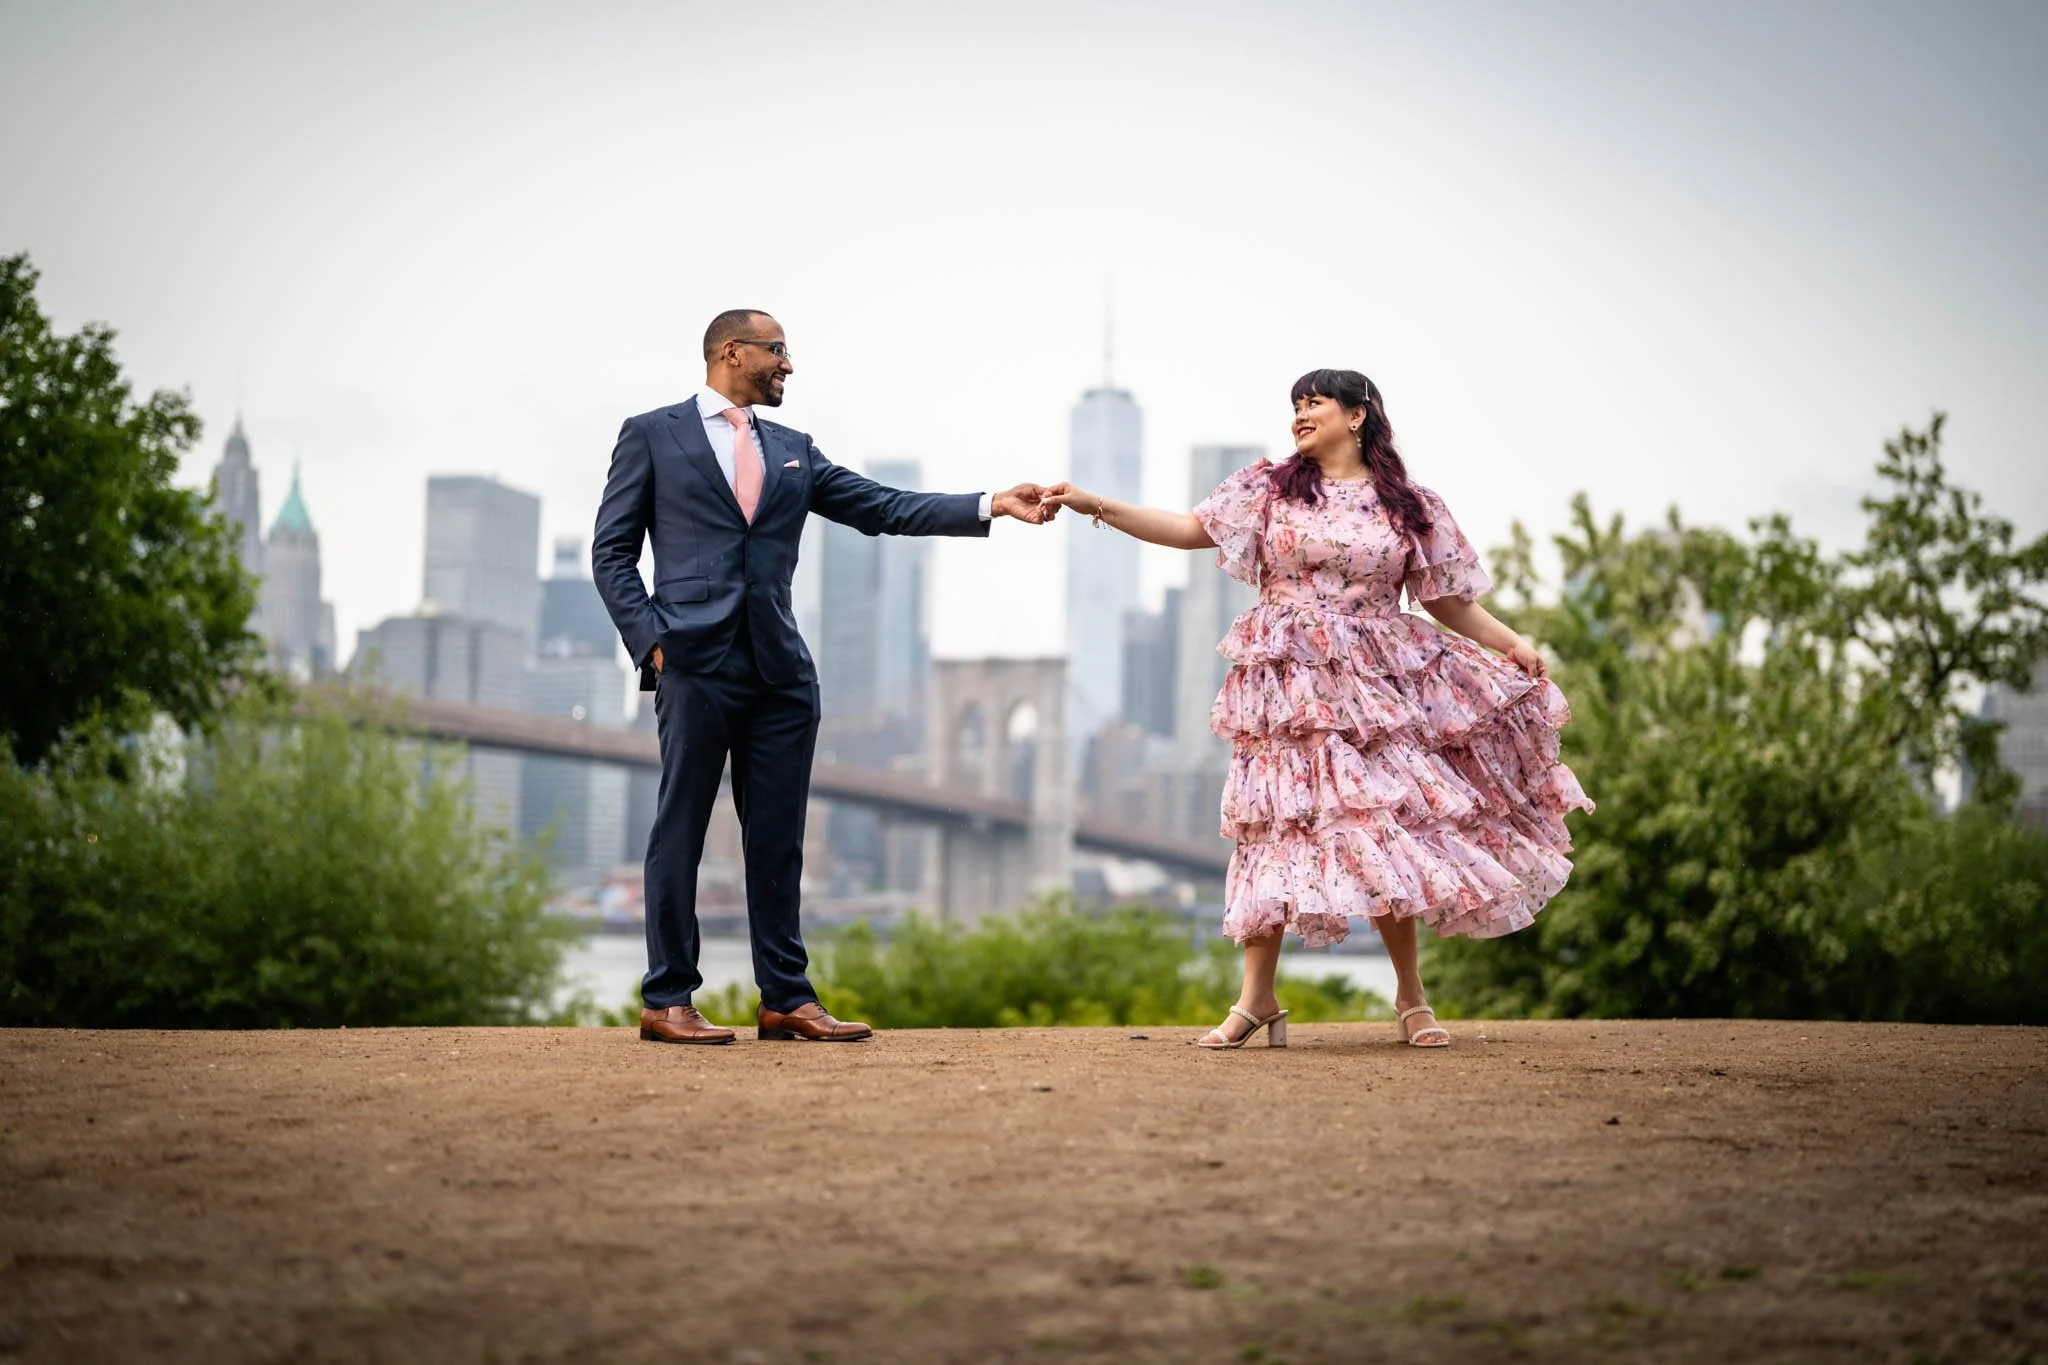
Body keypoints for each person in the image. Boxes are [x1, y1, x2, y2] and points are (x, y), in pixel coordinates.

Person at [1047, 369, 1591, 1049]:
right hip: (1287, 687)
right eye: (1295, 406)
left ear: (1358, 415)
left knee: (1385, 824)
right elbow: (1191, 528)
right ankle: (1257, 997)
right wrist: (1095, 503)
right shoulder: (1268, 489)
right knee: (1273, 824)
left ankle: (1411, 997)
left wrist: (1512, 642)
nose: (1300, 415)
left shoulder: (1408, 505)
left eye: (1315, 403)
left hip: (1377, 692)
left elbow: (1445, 598)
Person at [593, 308, 1057, 1045]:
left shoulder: (793, 449)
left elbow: (880, 507)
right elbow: (612, 553)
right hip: (693, 663)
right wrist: (653, 644)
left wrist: (990, 504)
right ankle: (667, 997)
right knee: (679, 827)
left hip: (780, 671)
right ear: (730, 351)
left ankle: (785, 998)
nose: (789, 365)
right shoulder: (651, 433)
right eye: (776, 350)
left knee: (778, 839)